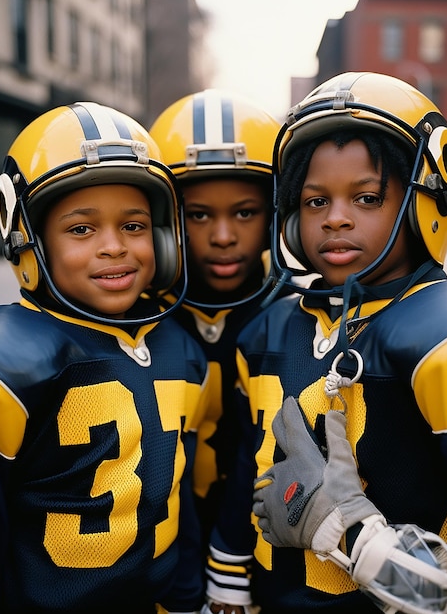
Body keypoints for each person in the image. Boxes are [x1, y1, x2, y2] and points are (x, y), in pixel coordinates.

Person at [209, 72, 447, 613]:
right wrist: (228, 580)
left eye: (366, 197)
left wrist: (358, 542)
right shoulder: (268, 328)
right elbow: (250, 471)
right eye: (315, 202)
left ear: (425, 200)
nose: (335, 217)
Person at [0, 102, 209, 613]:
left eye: (135, 226)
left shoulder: (178, 345)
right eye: (81, 229)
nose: (114, 247)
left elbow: (175, 505)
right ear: (27, 239)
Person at [149, 91, 280, 561]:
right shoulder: (135, 314)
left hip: (256, 545)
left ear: (274, 216)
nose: (223, 237)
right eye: (198, 214)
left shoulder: (298, 314)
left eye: (245, 212)